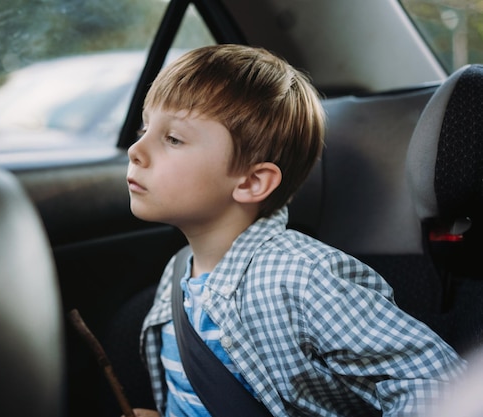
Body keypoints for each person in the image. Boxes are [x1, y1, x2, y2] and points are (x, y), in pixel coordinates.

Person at [125, 44, 466, 417]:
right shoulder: (178, 274)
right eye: (145, 128)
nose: (135, 149)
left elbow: (436, 384)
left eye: (173, 138)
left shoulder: (301, 278)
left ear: (253, 182)